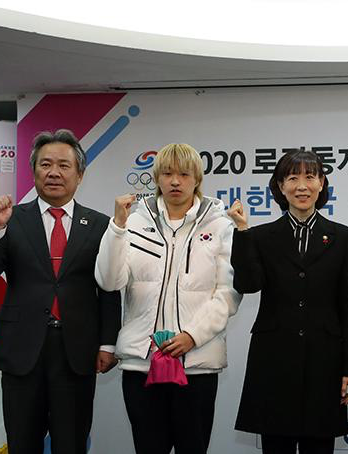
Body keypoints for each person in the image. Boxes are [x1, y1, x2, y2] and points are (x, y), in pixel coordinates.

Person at [0, 129, 121, 454]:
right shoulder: (10, 219)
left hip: (77, 352)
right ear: (34, 170)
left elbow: (109, 289)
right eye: (46, 164)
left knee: (72, 443)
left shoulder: (100, 225)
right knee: (23, 443)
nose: (54, 172)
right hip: (23, 350)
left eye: (64, 165)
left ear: (80, 174)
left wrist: (108, 343)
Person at [94, 143, 241, 453]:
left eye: (184, 174)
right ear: (157, 178)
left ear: (197, 179)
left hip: (197, 364)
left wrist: (192, 336)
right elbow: (109, 281)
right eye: (168, 173)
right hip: (141, 363)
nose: (176, 181)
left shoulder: (220, 225)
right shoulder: (133, 221)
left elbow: (228, 293)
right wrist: (117, 227)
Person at [228, 150, 348, 454]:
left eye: (310, 177)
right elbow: (248, 285)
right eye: (293, 178)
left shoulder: (342, 237)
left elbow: (347, 305)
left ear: (321, 183)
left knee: (319, 446)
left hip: (325, 361)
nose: (302, 186)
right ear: (280, 186)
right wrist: (242, 232)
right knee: (277, 445)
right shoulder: (260, 236)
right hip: (274, 360)